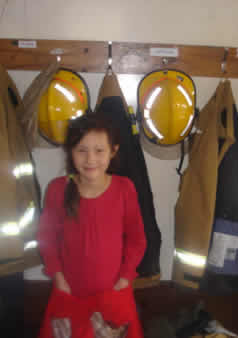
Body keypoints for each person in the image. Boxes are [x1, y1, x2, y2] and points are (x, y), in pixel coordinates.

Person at [37, 112, 147, 338]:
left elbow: (137, 240)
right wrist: (58, 278)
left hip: (113, 294)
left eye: (99, 151)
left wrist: (124, 279)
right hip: (70, 293)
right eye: (81, 150)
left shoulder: (124, 188)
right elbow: (47, 240)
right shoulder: (58, 189)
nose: (90, 160)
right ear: (70, 151)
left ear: (113, 151)